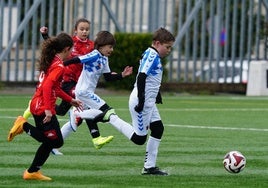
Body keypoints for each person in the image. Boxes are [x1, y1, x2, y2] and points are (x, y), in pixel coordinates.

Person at [75, 27, 175, 175]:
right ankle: (112, 118)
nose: (169, 50)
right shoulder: (152, 55)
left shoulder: (152, 54)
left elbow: (150, 79)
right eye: (167, 47)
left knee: (158, 128)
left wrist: (156, 95)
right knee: (139, 139)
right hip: (142, 100)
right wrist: (141, 101)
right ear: (157, 43)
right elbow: (141, 76)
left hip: (149, 100)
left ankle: (149, 167)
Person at [22, 18, 114, 155]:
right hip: (67, 81)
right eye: (81, 29)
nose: (84, 32)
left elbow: (96, 57)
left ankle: (33, 107)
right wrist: (45, 36)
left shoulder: (92, 45)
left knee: (61, 111)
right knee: (83, 104)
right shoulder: (70, 42)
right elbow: (54, 48)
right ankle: (96, 137)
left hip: (79, 82)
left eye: (87, 29)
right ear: (75, 30)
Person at [7, 33, 83, 181]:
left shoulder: (52, 60)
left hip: (37, 104)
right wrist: (49, 109)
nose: (72, 53)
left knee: (50, 141)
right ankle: (23, 125)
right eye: (71, 50)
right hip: (42, 108)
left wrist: (70, 100)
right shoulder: (59, 66)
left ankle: (32, 172)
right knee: (56, 141)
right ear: (66, 49)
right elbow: (48, 86)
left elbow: (54, 87)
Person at [63, 31, 133, 140]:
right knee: (106, 110)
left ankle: (55, 142)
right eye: (110, 47)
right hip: (83, 91)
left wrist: (122, 75)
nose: (112, 50)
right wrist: (60, 65)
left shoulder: (104, 59)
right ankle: (76, 114)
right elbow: (77, 60)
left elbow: (108, 77)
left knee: (93, 115)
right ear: (101, 46)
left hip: (86, 92)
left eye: (112, 47)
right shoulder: (94, 54)